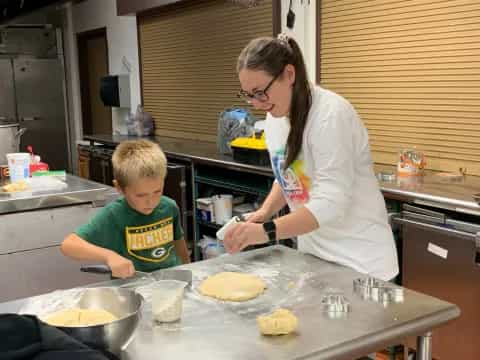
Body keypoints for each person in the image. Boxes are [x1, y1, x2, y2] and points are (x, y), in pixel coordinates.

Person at [223, 33, 398, 281]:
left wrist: (266, 231)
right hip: (314, 260)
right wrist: (264, 213)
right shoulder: (275, 119)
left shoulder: (330, 116)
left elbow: (331, 203)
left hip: (361, 264)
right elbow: (289, 177)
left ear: (289, 74)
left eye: (260, 92)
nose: (255, 104)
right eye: (248, 94)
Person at [61, 139, 190, 278]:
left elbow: (179, 244)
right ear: (119, 188)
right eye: (141, 195)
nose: (151, 201)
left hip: (169, 282)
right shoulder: (113, 215)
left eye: (157, 191)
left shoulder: (169, 207)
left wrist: (188, 270)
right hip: (132, 287)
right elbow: (68, 245)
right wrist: (109, 256)